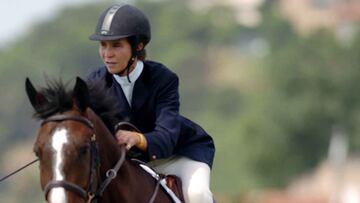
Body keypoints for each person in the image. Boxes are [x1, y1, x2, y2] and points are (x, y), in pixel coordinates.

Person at [86, 4, 215, 203]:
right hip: (130, 163)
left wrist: (138, 139)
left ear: (138, 46)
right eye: (103, 45)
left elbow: (166, 138)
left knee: (198, 195)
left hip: (177, 155)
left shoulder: (163, 79)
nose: (107, 54)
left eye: (116, 45)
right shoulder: (96, 82)